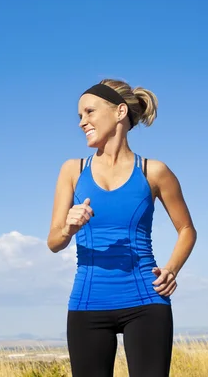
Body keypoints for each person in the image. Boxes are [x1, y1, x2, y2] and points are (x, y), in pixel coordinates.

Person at [47, 79, 197, 377]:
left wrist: (172, 269)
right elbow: (54, 241)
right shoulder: (72, 170)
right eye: (79, 116)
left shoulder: (154, 171)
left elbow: (187, 229)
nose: (82, 122)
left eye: (89, 112)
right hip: (88, 302)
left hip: (146, 300)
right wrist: (69, 226)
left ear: (119, 112)